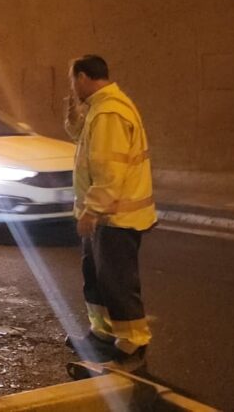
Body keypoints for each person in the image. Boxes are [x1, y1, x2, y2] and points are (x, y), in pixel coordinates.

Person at [63, 55, 156, 371]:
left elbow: (109, 171)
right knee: (96, 276)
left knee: (117, 281)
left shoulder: (110, 113)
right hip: (105, 215)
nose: (72, 86)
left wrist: (92, 210)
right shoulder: (99, 111)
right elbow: (87, 148)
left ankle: (134, 344)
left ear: (84, 77)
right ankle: (102, 332)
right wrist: (74, 116)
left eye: (72, 79)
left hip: (116, 217)